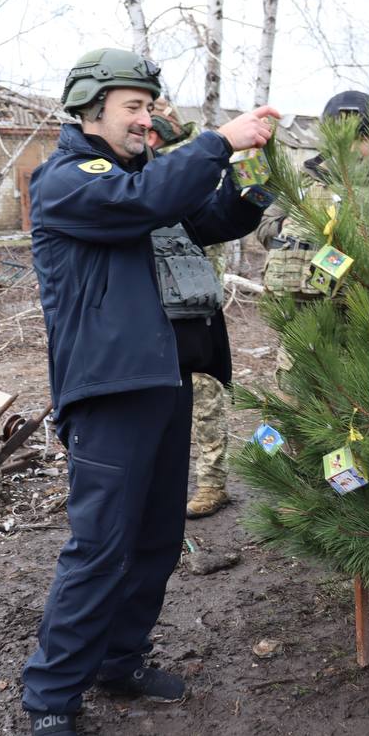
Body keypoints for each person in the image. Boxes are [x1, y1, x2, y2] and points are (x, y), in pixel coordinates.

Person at [22, 48, 279, 736]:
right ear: (89, 110)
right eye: (132, 107)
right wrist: (218, 139)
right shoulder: (69, 181)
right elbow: (152, 198)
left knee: (157, 538)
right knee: (101, 544)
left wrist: (260, 187)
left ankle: (118, 659)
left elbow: (208, 216)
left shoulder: (140, 183)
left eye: (148, 106)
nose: (145, 118)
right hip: (109, 389)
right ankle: (51, 696)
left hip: (163, 379)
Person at [144, 101, 233, 519]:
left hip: (193, 309)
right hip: (151, 315)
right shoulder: (130, 177)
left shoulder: (184, 172)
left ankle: (212, 483)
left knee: (205, 399)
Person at [256, 90, 369, 382]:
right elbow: (264, 226)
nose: (353, 146)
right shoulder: (302, 178)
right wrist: (299, 227)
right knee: (295, 398)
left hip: (365, 323)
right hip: (304, 316)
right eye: (342, 134)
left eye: (361, 137)